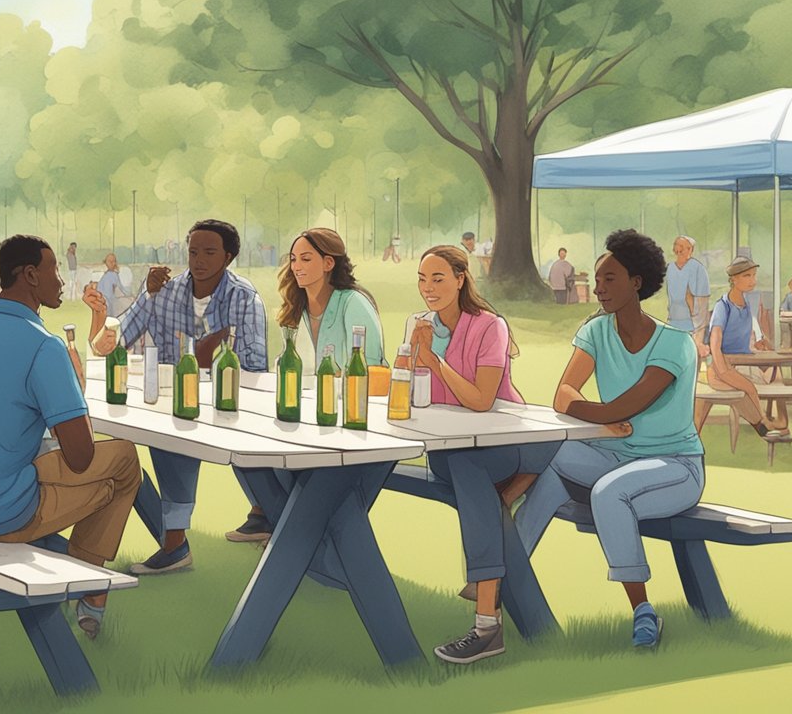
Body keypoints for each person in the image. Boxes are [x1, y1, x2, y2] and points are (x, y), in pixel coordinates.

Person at [0, 234, 141, 643]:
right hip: (0, 515)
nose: (60, 281)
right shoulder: (45, 347)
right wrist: (68, 394)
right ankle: (90, 586)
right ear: (30, 275)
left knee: (57, 463)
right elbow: (79, 455)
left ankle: (87, 585)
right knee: (123, 462)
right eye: (54, 271)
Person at [516, 229, 704, 651]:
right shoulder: (596, 331)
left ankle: (642, 610)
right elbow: (563, 394)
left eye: (610, 279)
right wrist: (603, 421)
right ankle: (508, 574)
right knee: (551, 458)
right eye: (597, 280)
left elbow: (629, 406)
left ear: (637, 282)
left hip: (674, 467)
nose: (598, 289)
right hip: (615, 455)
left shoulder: (676, 344)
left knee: (608, 493)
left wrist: (600, 416)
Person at [387, 246, 559, 665]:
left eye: (439, 278)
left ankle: (486, 623)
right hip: (448, 448)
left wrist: (435, 361)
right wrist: (410, 355)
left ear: (461, 278)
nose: (428, 289)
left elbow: (482, 400)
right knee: (465, 473)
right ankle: (490, 618)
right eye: (423, 279)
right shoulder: (419, 325)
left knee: (469, 471)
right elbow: (397, 392)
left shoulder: (489, 327)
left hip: (500, 444)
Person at [86, 220, 268, 575]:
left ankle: (267, 512)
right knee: (168, 436)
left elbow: (253, 367)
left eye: (209, 252)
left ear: (228, 257)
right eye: (193, 252)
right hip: (176, 403)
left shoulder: (244, 297)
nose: (198, 260)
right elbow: (118, 338)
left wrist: (210, 355)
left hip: (228, 401)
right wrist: (140, 297)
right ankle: (174, 544)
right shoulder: (164, 291)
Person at [225, 228, 384, 544]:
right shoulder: (296, 309)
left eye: (306, 259)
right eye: (294, 259)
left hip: (353, 422)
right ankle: (274, 517)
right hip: (309, 415)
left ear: (328, 263)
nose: (297, 266)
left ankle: (284, 527)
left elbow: (373, 371)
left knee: (266, 452)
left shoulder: (352, 303)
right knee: (241, 444)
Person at [706, 256, 792, 443]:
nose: (752, 280)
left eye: (754, 275)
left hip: (744, 361)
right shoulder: (723, 306)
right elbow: (715, 340)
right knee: (750, 388)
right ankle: (763, 425)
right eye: (747, 276)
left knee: (777, 375)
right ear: (734, 279)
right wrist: (722, 369)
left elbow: (743, 341)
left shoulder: (745, 306)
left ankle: (781, 421)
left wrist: (758, 346)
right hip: (724, 365)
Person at [665, 236, 711, 356]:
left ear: (691, 250)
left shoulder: (698, 269)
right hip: (674, 321)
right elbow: (671, 298)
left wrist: (699, 334)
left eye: (685, 248)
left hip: (692, 324)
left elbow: (702, 302)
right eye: (678, 248)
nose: (680, 251)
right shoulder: (670, 268)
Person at [96, 253, 129, 318]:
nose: (112, 263)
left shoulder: (114, 275)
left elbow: (121, 289)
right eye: (110, 261)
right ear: (106, 263)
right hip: (102, 303)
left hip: (108, 304)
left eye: (113, 261)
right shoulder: (106, 275)